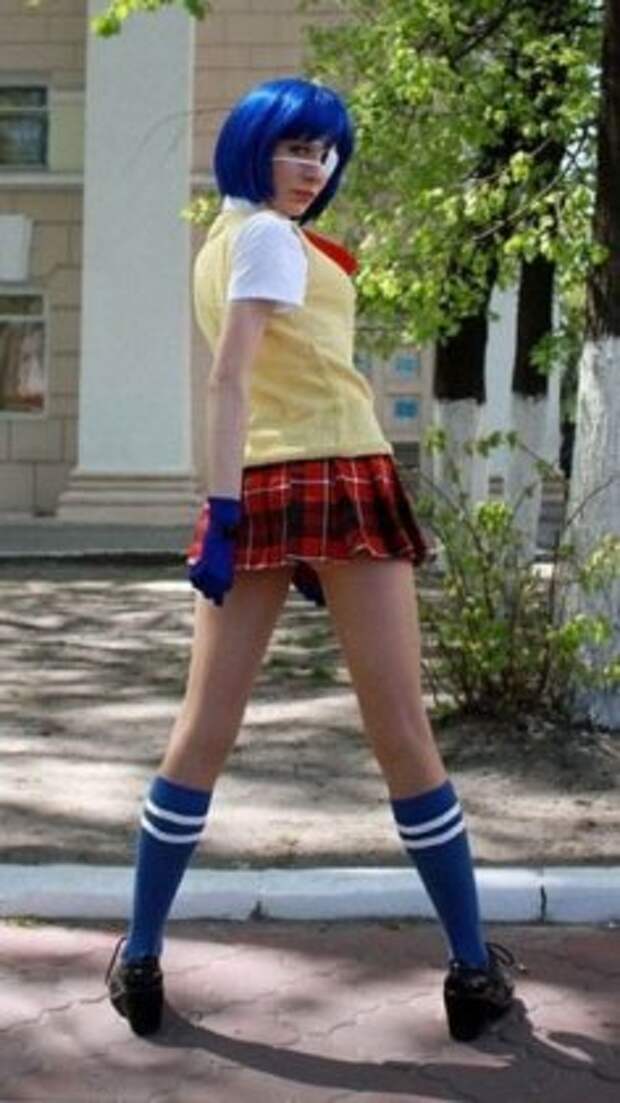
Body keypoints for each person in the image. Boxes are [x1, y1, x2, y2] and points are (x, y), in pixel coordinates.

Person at [105, 76, 518, 1043]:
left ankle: (141, 954)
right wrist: (218, 510)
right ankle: (470, 968)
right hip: (333, 474)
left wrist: (227, 505)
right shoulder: (264, 237)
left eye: (325, 154)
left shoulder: (228, 240)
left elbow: (241, 379)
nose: (314, 168)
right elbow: (229, 376)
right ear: (254, 145)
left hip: (265, 479)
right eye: (296, 148)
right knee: (400, 730)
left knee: (203, 728)